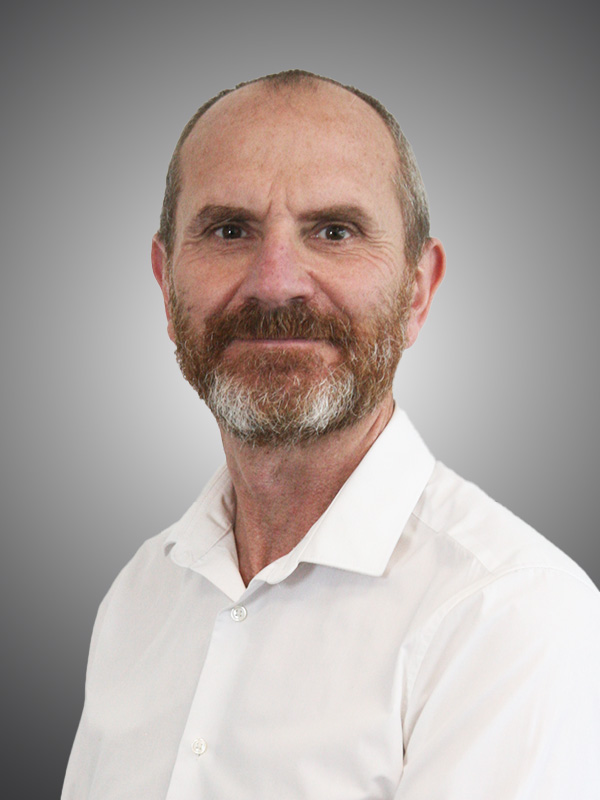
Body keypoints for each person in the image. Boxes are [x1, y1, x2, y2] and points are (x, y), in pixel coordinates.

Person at [62, 70, 600, 799]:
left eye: (334, 232)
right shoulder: (141, 594)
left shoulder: (508, 613)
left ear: (417, 291)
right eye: (229, 230)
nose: (276, 281)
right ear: (166, 284)